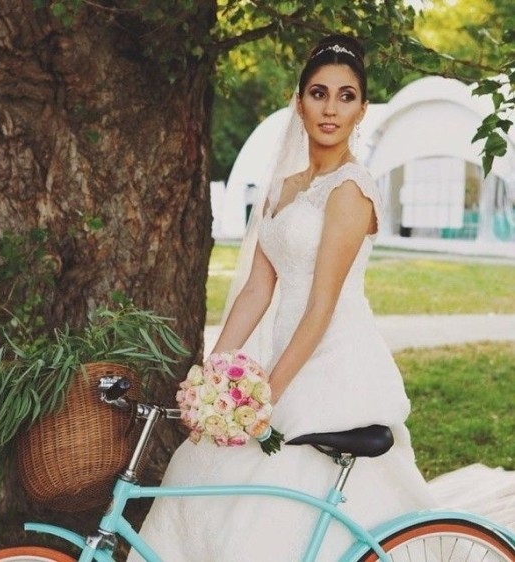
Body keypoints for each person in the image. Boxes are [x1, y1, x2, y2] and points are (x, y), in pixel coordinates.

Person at [129, 33, 435, 562]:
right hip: (286, 355)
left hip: (332, 361)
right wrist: (211, 375)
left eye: (346, 96)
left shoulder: (350, 190)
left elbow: (321, 306)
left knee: (271, 494)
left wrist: (267, 395)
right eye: (319, 93)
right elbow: (256, 289)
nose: (331, 109)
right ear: (299, 102)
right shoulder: (283, 187)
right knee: (200, 463)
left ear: (362, 110)